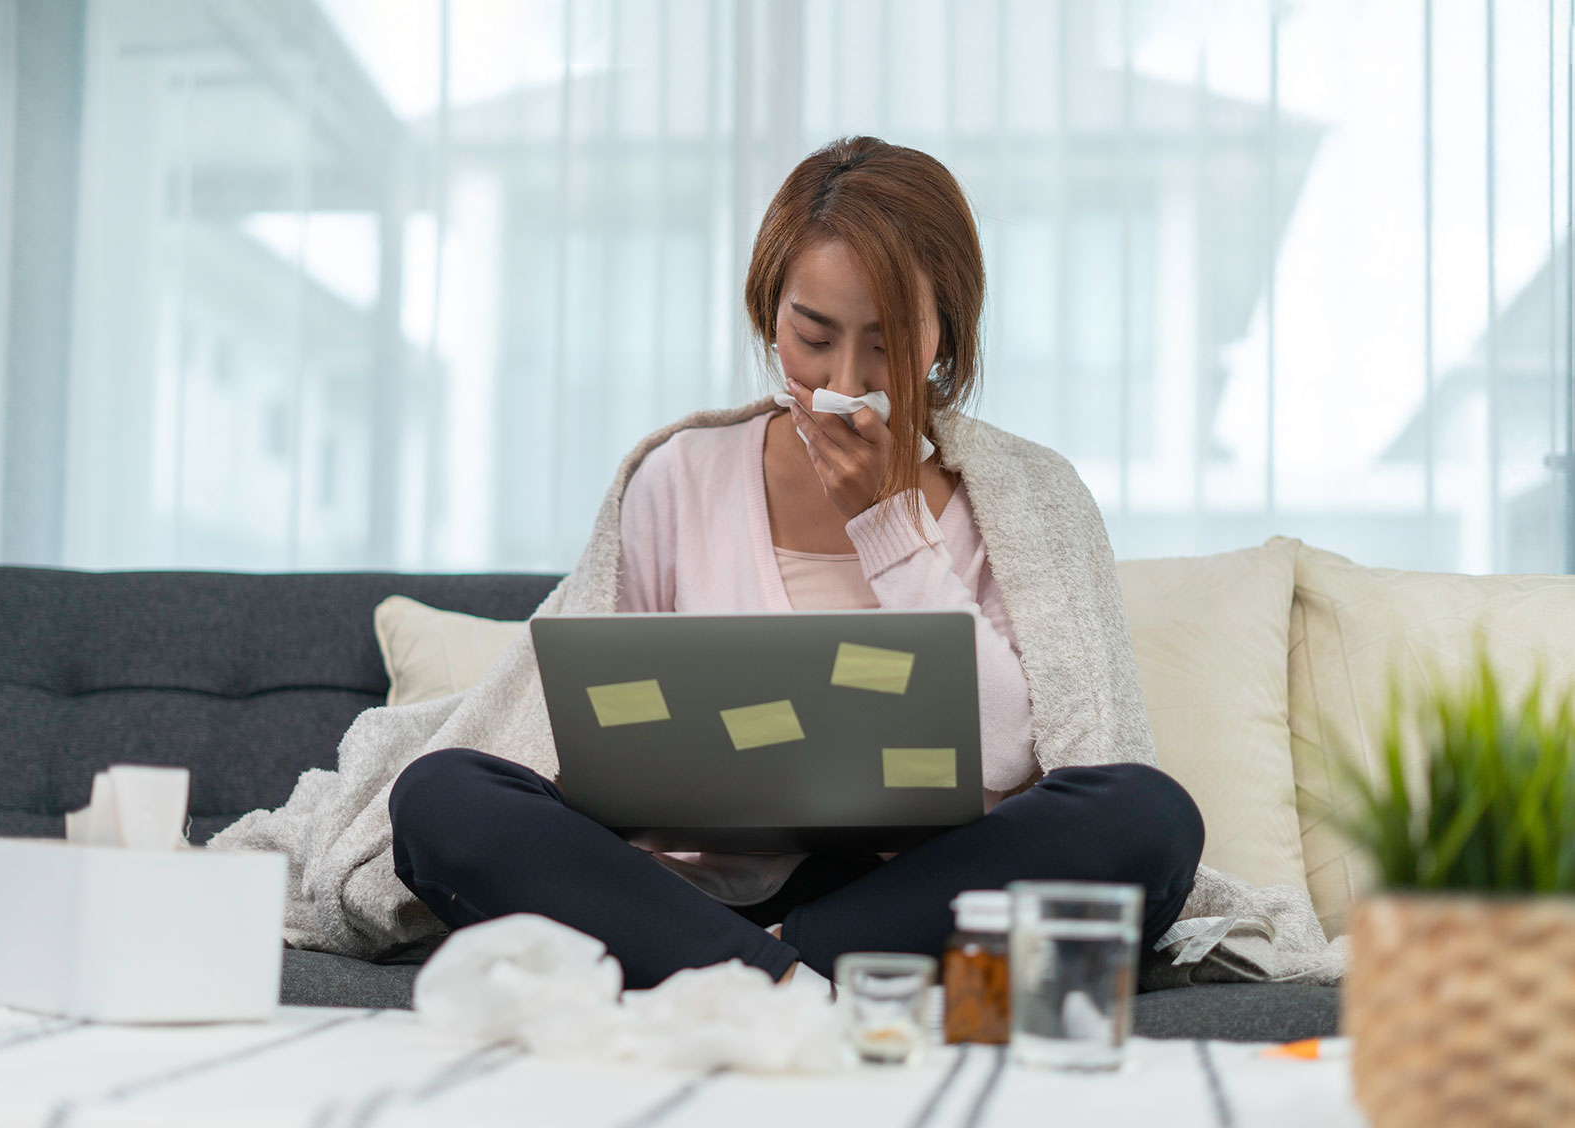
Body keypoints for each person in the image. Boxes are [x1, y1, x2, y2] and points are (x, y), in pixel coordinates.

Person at [387, 136, 1204, 990]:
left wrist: (887, 526)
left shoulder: (1022, 500)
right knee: (443, 799)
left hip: (914, 894)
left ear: (945, 335)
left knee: (1146, 818)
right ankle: (790, 977)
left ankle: (754, 974)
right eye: (812, 336)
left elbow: (1007, 757)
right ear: (770, 313)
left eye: (886, 345)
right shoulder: (681, 478)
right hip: (689, 895)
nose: (843, 382)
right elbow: (593, 730)